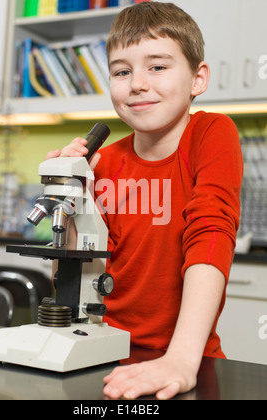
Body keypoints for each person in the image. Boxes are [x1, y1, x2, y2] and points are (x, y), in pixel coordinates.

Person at [46, 2, 243, 400]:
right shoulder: (104, 162)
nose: (137, 83)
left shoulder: (211, 133)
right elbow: (70, 270)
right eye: (122, 71)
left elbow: (212, 229)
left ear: (197, 78)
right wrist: (71, 194)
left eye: (157, 66)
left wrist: (181, 359)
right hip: (105, 354)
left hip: (186, 357)